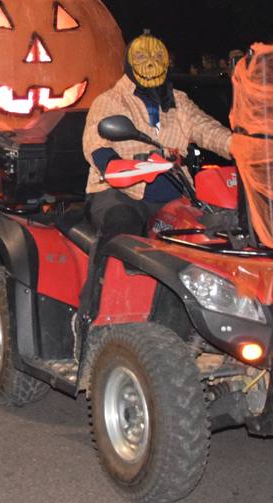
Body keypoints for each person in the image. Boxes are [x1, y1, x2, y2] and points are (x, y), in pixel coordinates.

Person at [80, 32, 233, 307]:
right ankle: (95, 308)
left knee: (214, 232)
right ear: (129, 62)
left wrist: (243, 146)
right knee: (121, 223)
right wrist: (112, 164)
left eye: (157, 56)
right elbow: (97, 140)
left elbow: (207, 129)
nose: (150, 63)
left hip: (175, 194)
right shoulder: (112, 100)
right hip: (121, 191)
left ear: (167, 61)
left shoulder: (178, 101)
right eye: (141, 56)